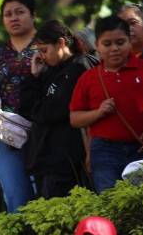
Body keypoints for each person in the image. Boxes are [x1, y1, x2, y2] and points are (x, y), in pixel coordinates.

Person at [69, 15, 143, 192]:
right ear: (97, 46)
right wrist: (98, 113)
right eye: (107, 44)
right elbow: (75, 119)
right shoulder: (88, 78)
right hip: (105, 151)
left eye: (120, 42)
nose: (114, 48)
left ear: (129, 42)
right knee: (111, 201)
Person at [0, 0, 38, 212]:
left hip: (42, 132)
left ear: (33, 15)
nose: (13, 18)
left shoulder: (47, 47)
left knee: (46, 192)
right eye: (8, 14)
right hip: (1, 136)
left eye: (20, 12)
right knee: (16, 197)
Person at [20, 20, 90, 198]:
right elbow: (27, 109)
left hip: (67, 158)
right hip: (45, 158)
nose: (42, 57)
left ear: (61, 43)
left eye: (44, 50)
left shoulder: (78, 68)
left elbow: (52, 111)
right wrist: (34, 76)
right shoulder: (48, 71)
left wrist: (39, 109)